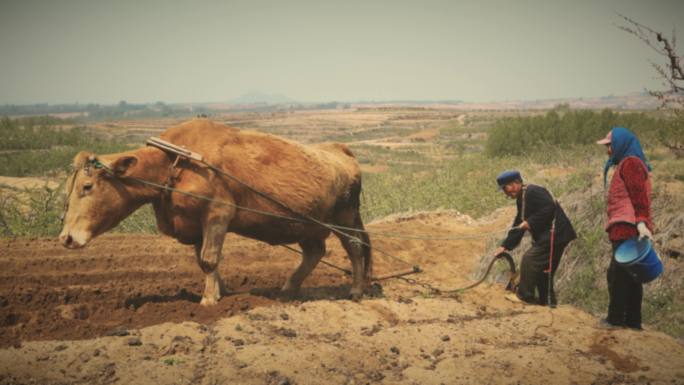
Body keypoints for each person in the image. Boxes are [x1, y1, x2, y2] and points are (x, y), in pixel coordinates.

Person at [597, 127, 653, 330]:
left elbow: (639, 196)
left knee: (618, 275)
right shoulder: (630, 162)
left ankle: (616, 319)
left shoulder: (630, 164)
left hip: (628, 227)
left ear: (621, 144)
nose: (609, 150)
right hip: (627, 225)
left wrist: (641, 222)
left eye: (610, 145)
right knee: (631, 275)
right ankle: (633, 321)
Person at [494, 170, 576, 306]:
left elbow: (550, 206)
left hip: (556, 234)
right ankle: (548, 303)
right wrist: (505, 246)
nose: (505, 192)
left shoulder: (533, 191)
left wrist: (531, 222)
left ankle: (524, 296)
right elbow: (518, 224)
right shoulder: (523, 197)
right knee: (545, 272)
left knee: (529, 259)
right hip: (554, 236)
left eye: (505, 188)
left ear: (515, 184)